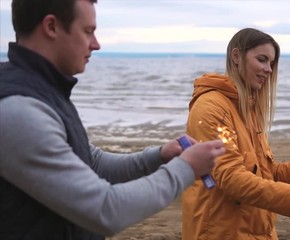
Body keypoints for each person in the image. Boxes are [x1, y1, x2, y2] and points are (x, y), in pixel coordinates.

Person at [0, 0, 225, 239]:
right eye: (88, 31)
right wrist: (186, 168)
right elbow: (104, 210)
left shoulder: (43, 91)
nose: (96, 44)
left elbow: (91, 163)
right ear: (52, 27)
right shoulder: (19, 110)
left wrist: (158, 156)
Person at [181, 28, 290, 240]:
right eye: (262, 60)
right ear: (236, 57)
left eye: (271, 63)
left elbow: (262, 174)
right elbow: (231, 179)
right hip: (222, 232)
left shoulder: (247, 107)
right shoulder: (211, 107)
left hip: (258, 231)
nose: (268, 69)